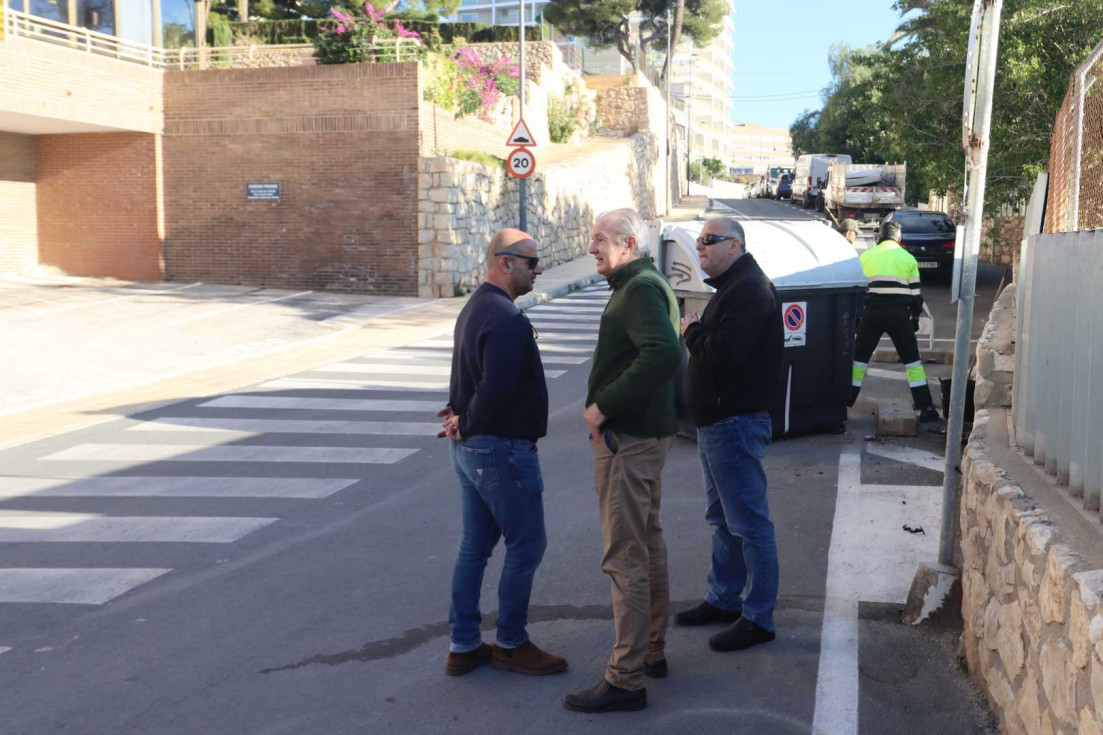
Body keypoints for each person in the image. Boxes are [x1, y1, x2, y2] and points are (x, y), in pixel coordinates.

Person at [564, 208, 682, 714]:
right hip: (642, 439)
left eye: (600, 240)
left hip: (628, 443)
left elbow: (662, 354)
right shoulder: (641, 283)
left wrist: (602, 405)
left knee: (624, 556)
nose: (591, 248)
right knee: (646, 544)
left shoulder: (638, 290)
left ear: (629, 243)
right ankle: (651, 651)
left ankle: (626, 677)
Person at [437, 229, 568, 678]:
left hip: (473, 447)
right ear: (506, 263)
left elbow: (467, 374)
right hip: (499, 450)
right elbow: (493, 388)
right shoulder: (506, 317)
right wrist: (466, 419)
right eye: (532, 262)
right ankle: (511, 643)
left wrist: (458, 414)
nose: (539, 269)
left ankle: (464, 645)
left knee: (475, 546)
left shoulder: (477, 305)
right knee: (527, 543)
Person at [676, 217, 784, 652]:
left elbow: (724, 353)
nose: (699, 247)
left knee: (750, 525)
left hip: (734, 424)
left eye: (708, 241)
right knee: (723, 522)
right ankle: (723, 599)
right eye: (699, 241)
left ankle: (759, 617)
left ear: (734, 246)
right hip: (718, 425)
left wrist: (692, 330)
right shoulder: (734, 289)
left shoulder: (750, 290)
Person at [849, 220, 940, 421]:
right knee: (912, 362)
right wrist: (915, 317)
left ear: (879, 237)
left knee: (859, 359)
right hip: (900, 315)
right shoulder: (908, 259)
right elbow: (916, 296)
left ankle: (845, 403)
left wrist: (858, 318)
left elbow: (856, 291)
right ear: (899, 239)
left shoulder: (865, 257)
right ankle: (926, 408)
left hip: (871, 313)